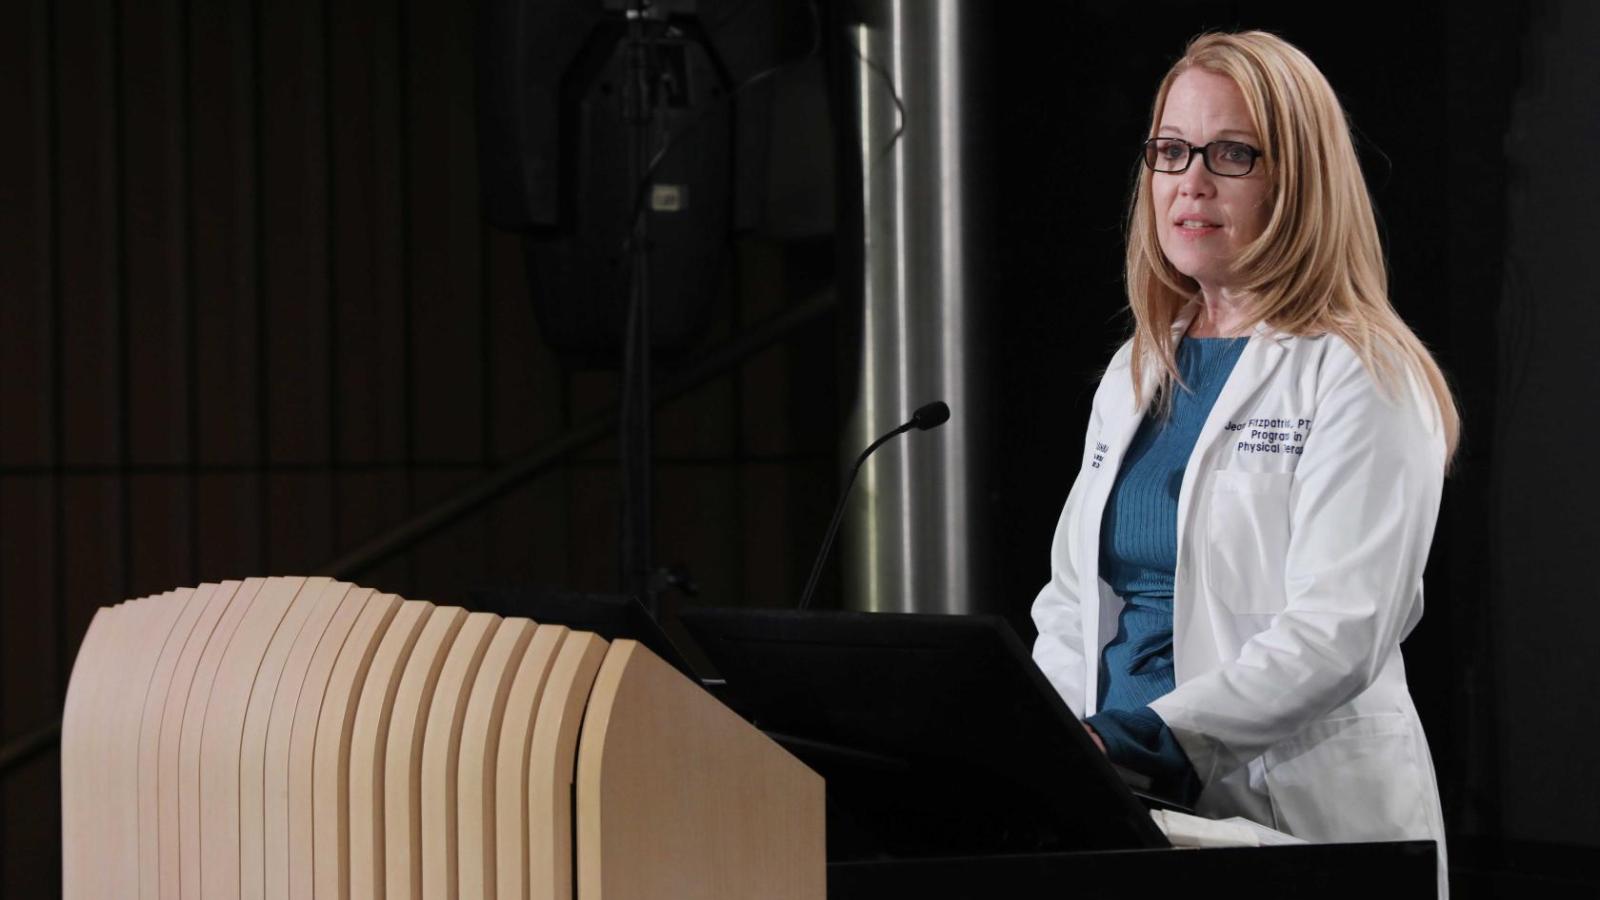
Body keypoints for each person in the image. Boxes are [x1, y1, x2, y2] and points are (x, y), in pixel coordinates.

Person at [1029, 31, 1457, 897]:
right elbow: (1074, 600)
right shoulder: (1140, 367)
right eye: (1172, 151)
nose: (1191, 180)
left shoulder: (1362, 369)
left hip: (1291, 820)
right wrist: (1043, 744)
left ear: (1298, 179)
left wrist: (1143, 736)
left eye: (1232, 154)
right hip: (1127, 809)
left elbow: (1340, 628)